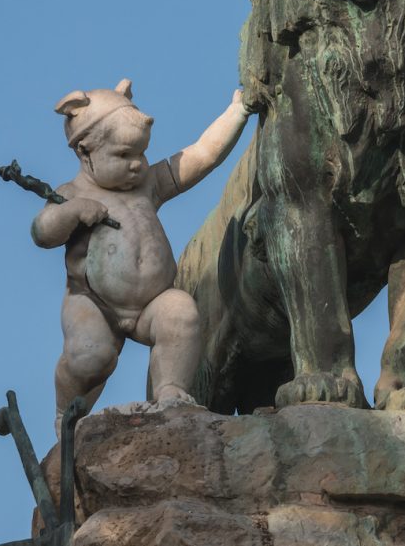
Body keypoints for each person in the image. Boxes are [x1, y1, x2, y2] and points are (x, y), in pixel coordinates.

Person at [32, 79, 251, 433]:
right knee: (90, 356)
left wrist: (237, 112)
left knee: (180, 311)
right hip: (93, 303)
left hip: (152, 302)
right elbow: (43, 232)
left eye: (141, 154)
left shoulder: (149, 184)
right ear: (85, 151)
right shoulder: (71, 193)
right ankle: (65, 414)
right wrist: (72, 213)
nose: (136, 165)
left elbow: (200, 155)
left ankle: (170, 391)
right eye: (123, 155)